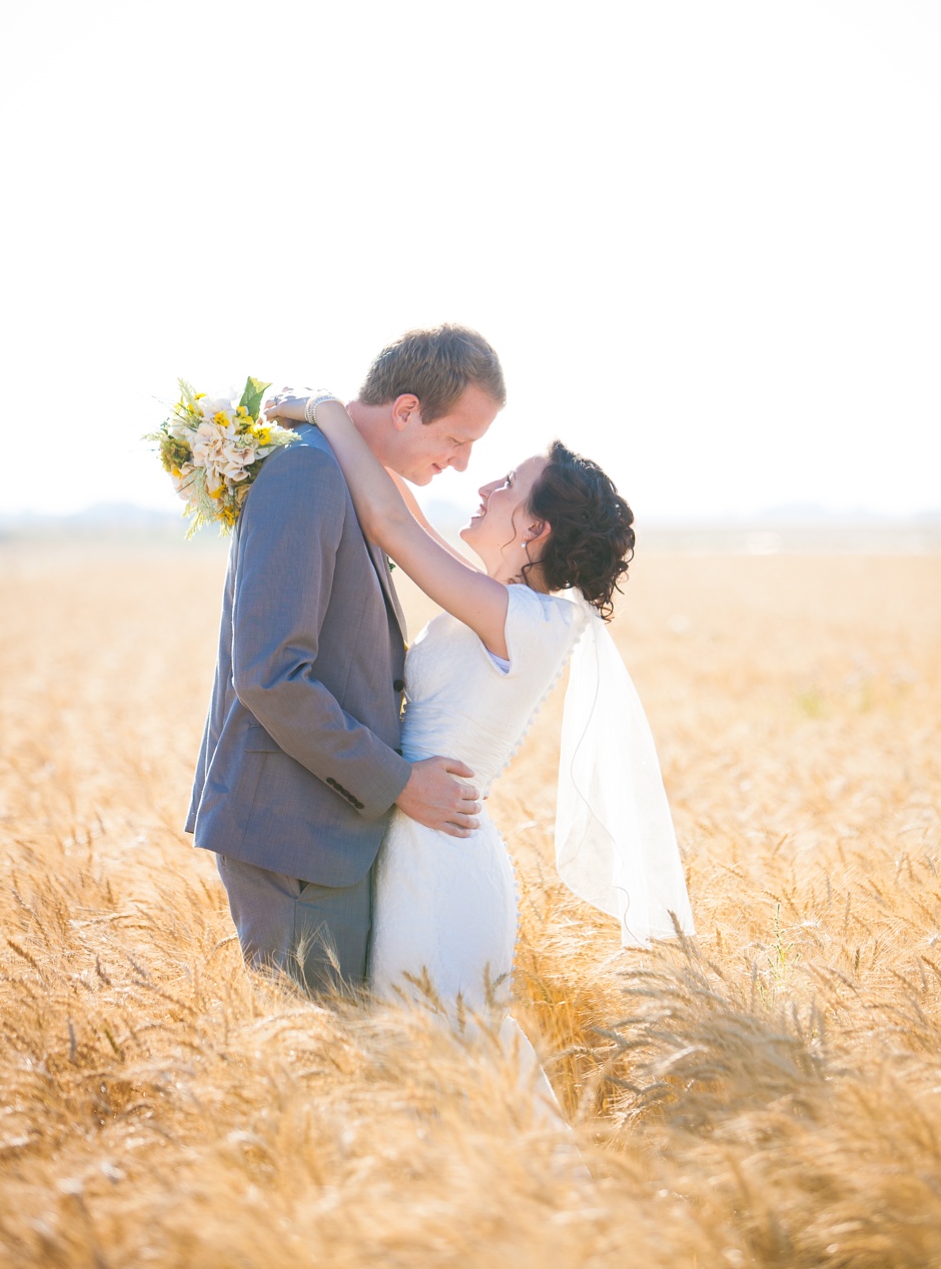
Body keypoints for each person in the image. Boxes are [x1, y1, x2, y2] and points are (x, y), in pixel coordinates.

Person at [260, 388, 696, 1018]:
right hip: (415, 834)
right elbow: (394, 496)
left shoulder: (532, 621)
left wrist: (324, 408)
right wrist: (358, 421)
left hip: (439, 860)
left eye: (509, 483)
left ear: (534, 527)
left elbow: (389, 525)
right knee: (422, 1057)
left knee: (439, 1054)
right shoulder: (496, 601)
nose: (484, 484)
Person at [185, 325, 504, 993]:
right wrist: (399, 782)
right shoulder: (308, 469)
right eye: (457, 440)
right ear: (407, 409)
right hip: (294, 832)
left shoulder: (349, 473)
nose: (464, 464)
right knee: (313, 1072)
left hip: (324, 834)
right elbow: (270, 675)